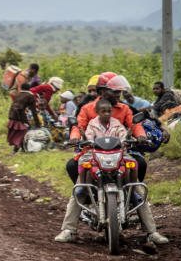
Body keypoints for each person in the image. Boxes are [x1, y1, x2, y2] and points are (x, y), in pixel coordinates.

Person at [56, 74, 167, 245]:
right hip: (92, 151)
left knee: (137, 187)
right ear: (102, 91)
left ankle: (151, 231)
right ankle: (69, 229)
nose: (118, 96)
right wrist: (75, 137)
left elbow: (133, 125)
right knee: (79, 185)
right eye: (114, 92)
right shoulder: (87, 108)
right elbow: (79, 126)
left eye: (120, 93)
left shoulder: (124, 109)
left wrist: (141, 136)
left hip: (118, 152)